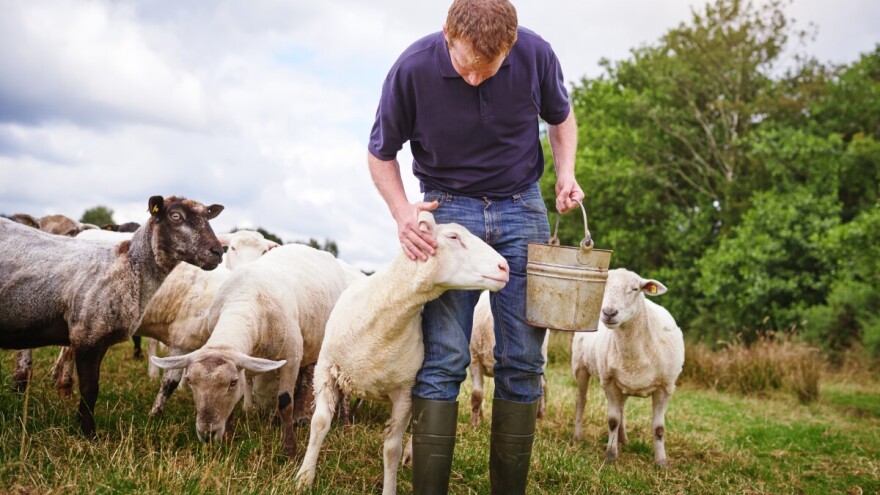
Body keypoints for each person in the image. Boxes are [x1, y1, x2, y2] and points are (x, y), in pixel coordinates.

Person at [367, 0, 583, 493]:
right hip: (448, 211)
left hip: (522, 206)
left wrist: (566, 173)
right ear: (448, 35)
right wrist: (404, 213)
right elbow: (380, 153)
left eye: (488, 70)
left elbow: (561, 118)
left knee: (525, 360)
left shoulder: (535, 54)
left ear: (510, 46)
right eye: (465, 66)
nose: (474, 80)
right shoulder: (412, 68)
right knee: (444, 357)